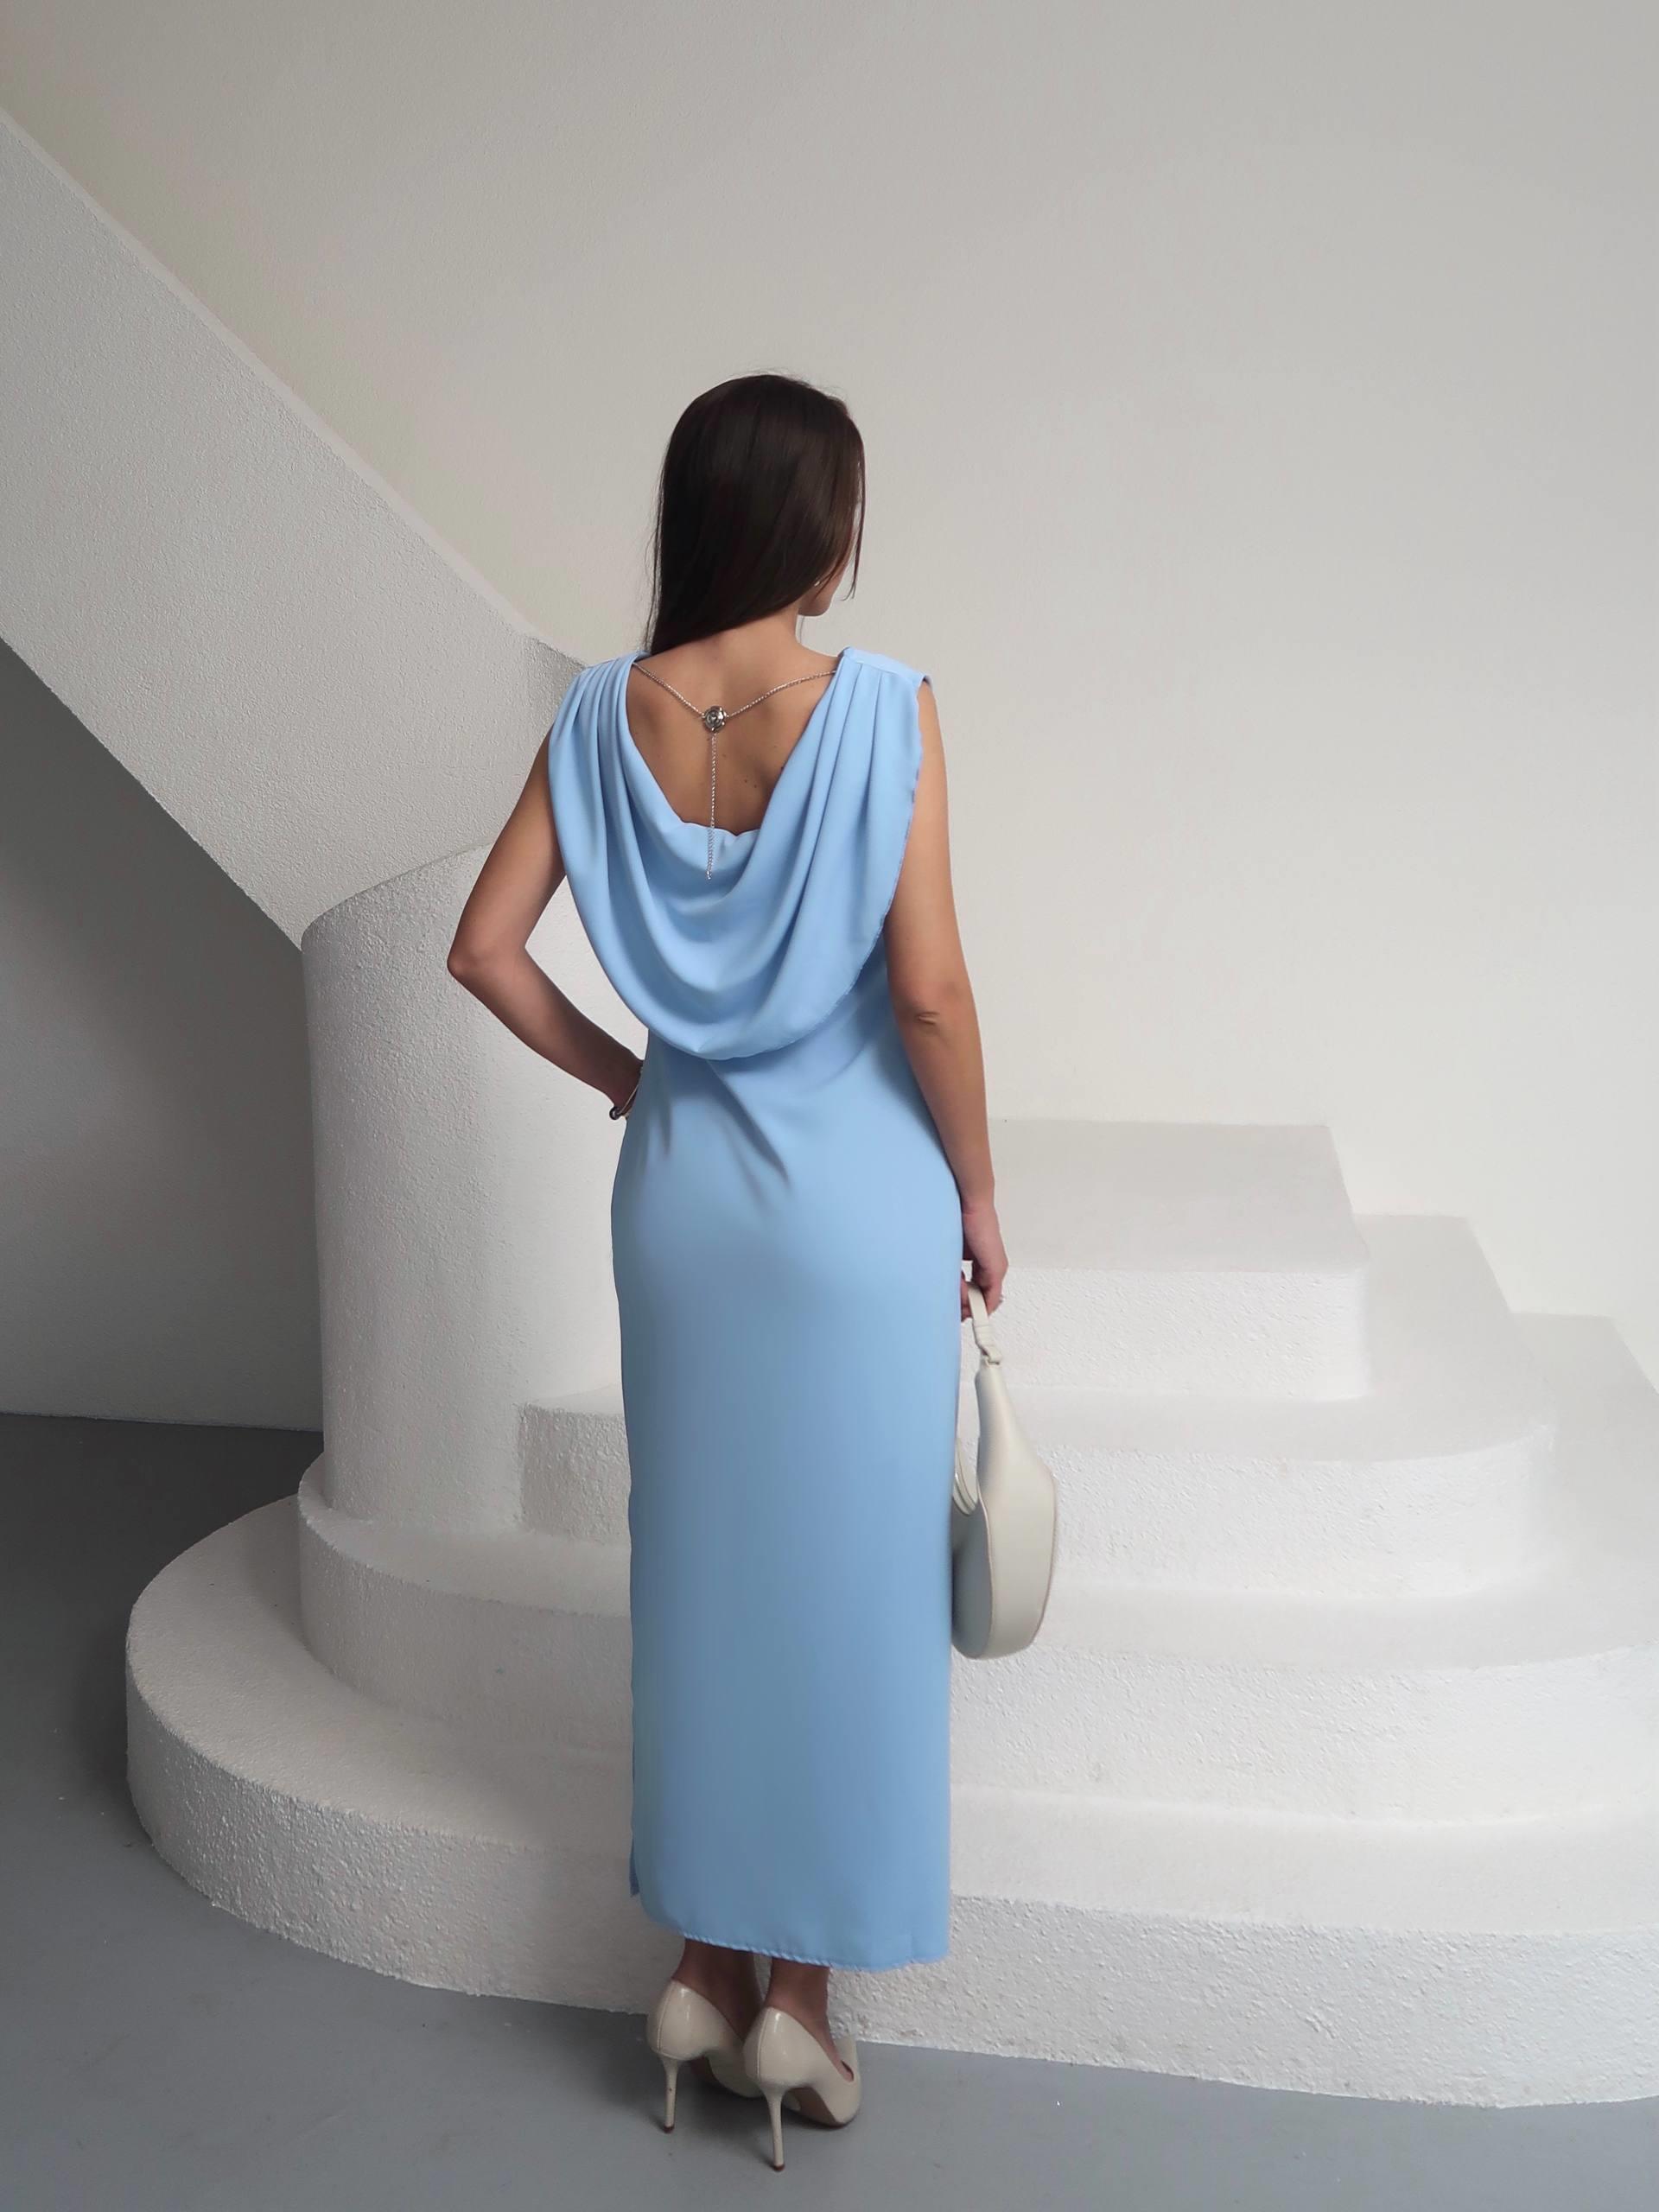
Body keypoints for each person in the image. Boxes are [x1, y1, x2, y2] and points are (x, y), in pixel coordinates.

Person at [447, 372, 1007, 2167]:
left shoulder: (597, 716)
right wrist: (981, 1191)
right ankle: (801, 2011)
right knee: (847, 1588)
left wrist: (633, 1077)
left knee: (698, 1572)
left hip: (684, 1203)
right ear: (820, 531)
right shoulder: (886, 708)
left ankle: (699, 1966)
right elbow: (929, 990)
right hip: (855, 1213)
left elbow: (483, 948)